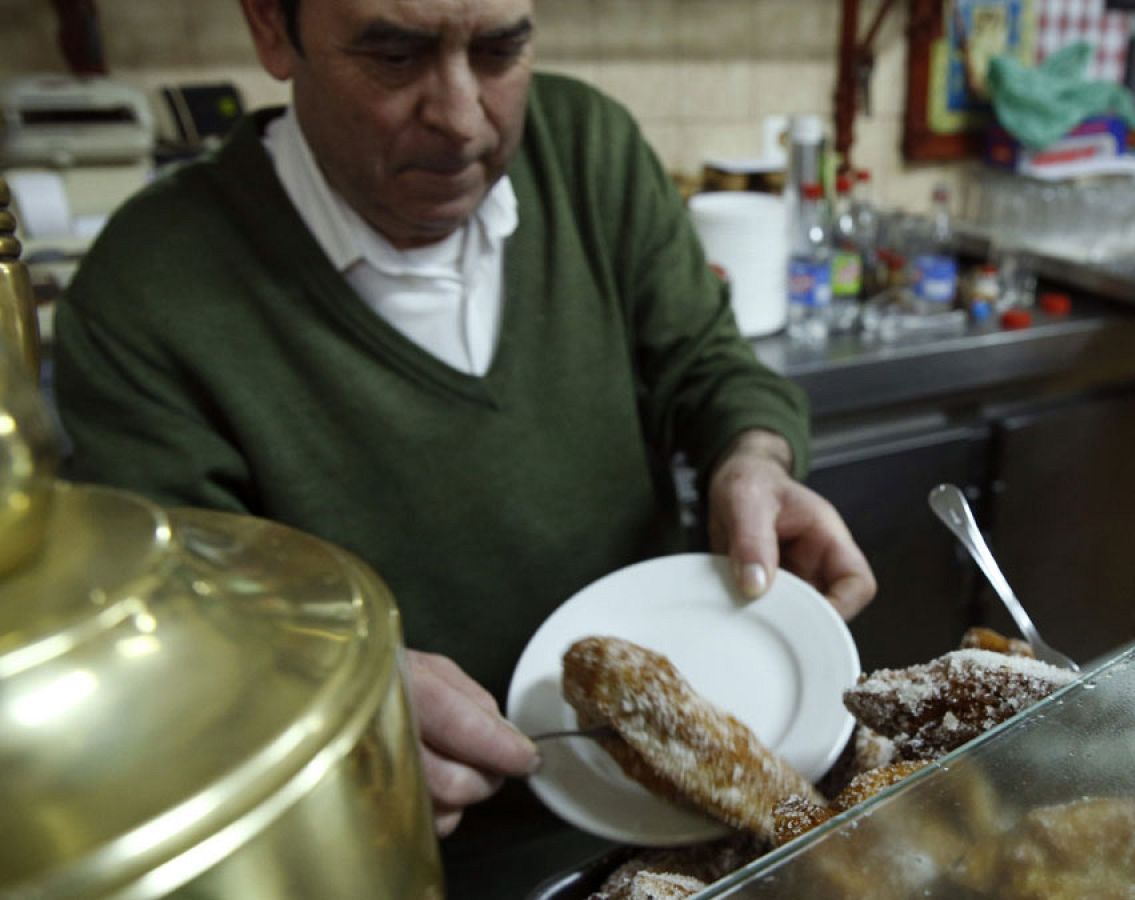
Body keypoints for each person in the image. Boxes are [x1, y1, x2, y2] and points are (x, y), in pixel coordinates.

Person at [51, 0, 876, 893]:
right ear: (272, 30)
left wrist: (753, 455)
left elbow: (706, 362)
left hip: (680, 825)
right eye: (393, 54)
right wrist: (337, 695)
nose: (460, 118)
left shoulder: (586, 148)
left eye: (499, 49)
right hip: (401, 854)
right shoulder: (147, 291)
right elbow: (171, 635)